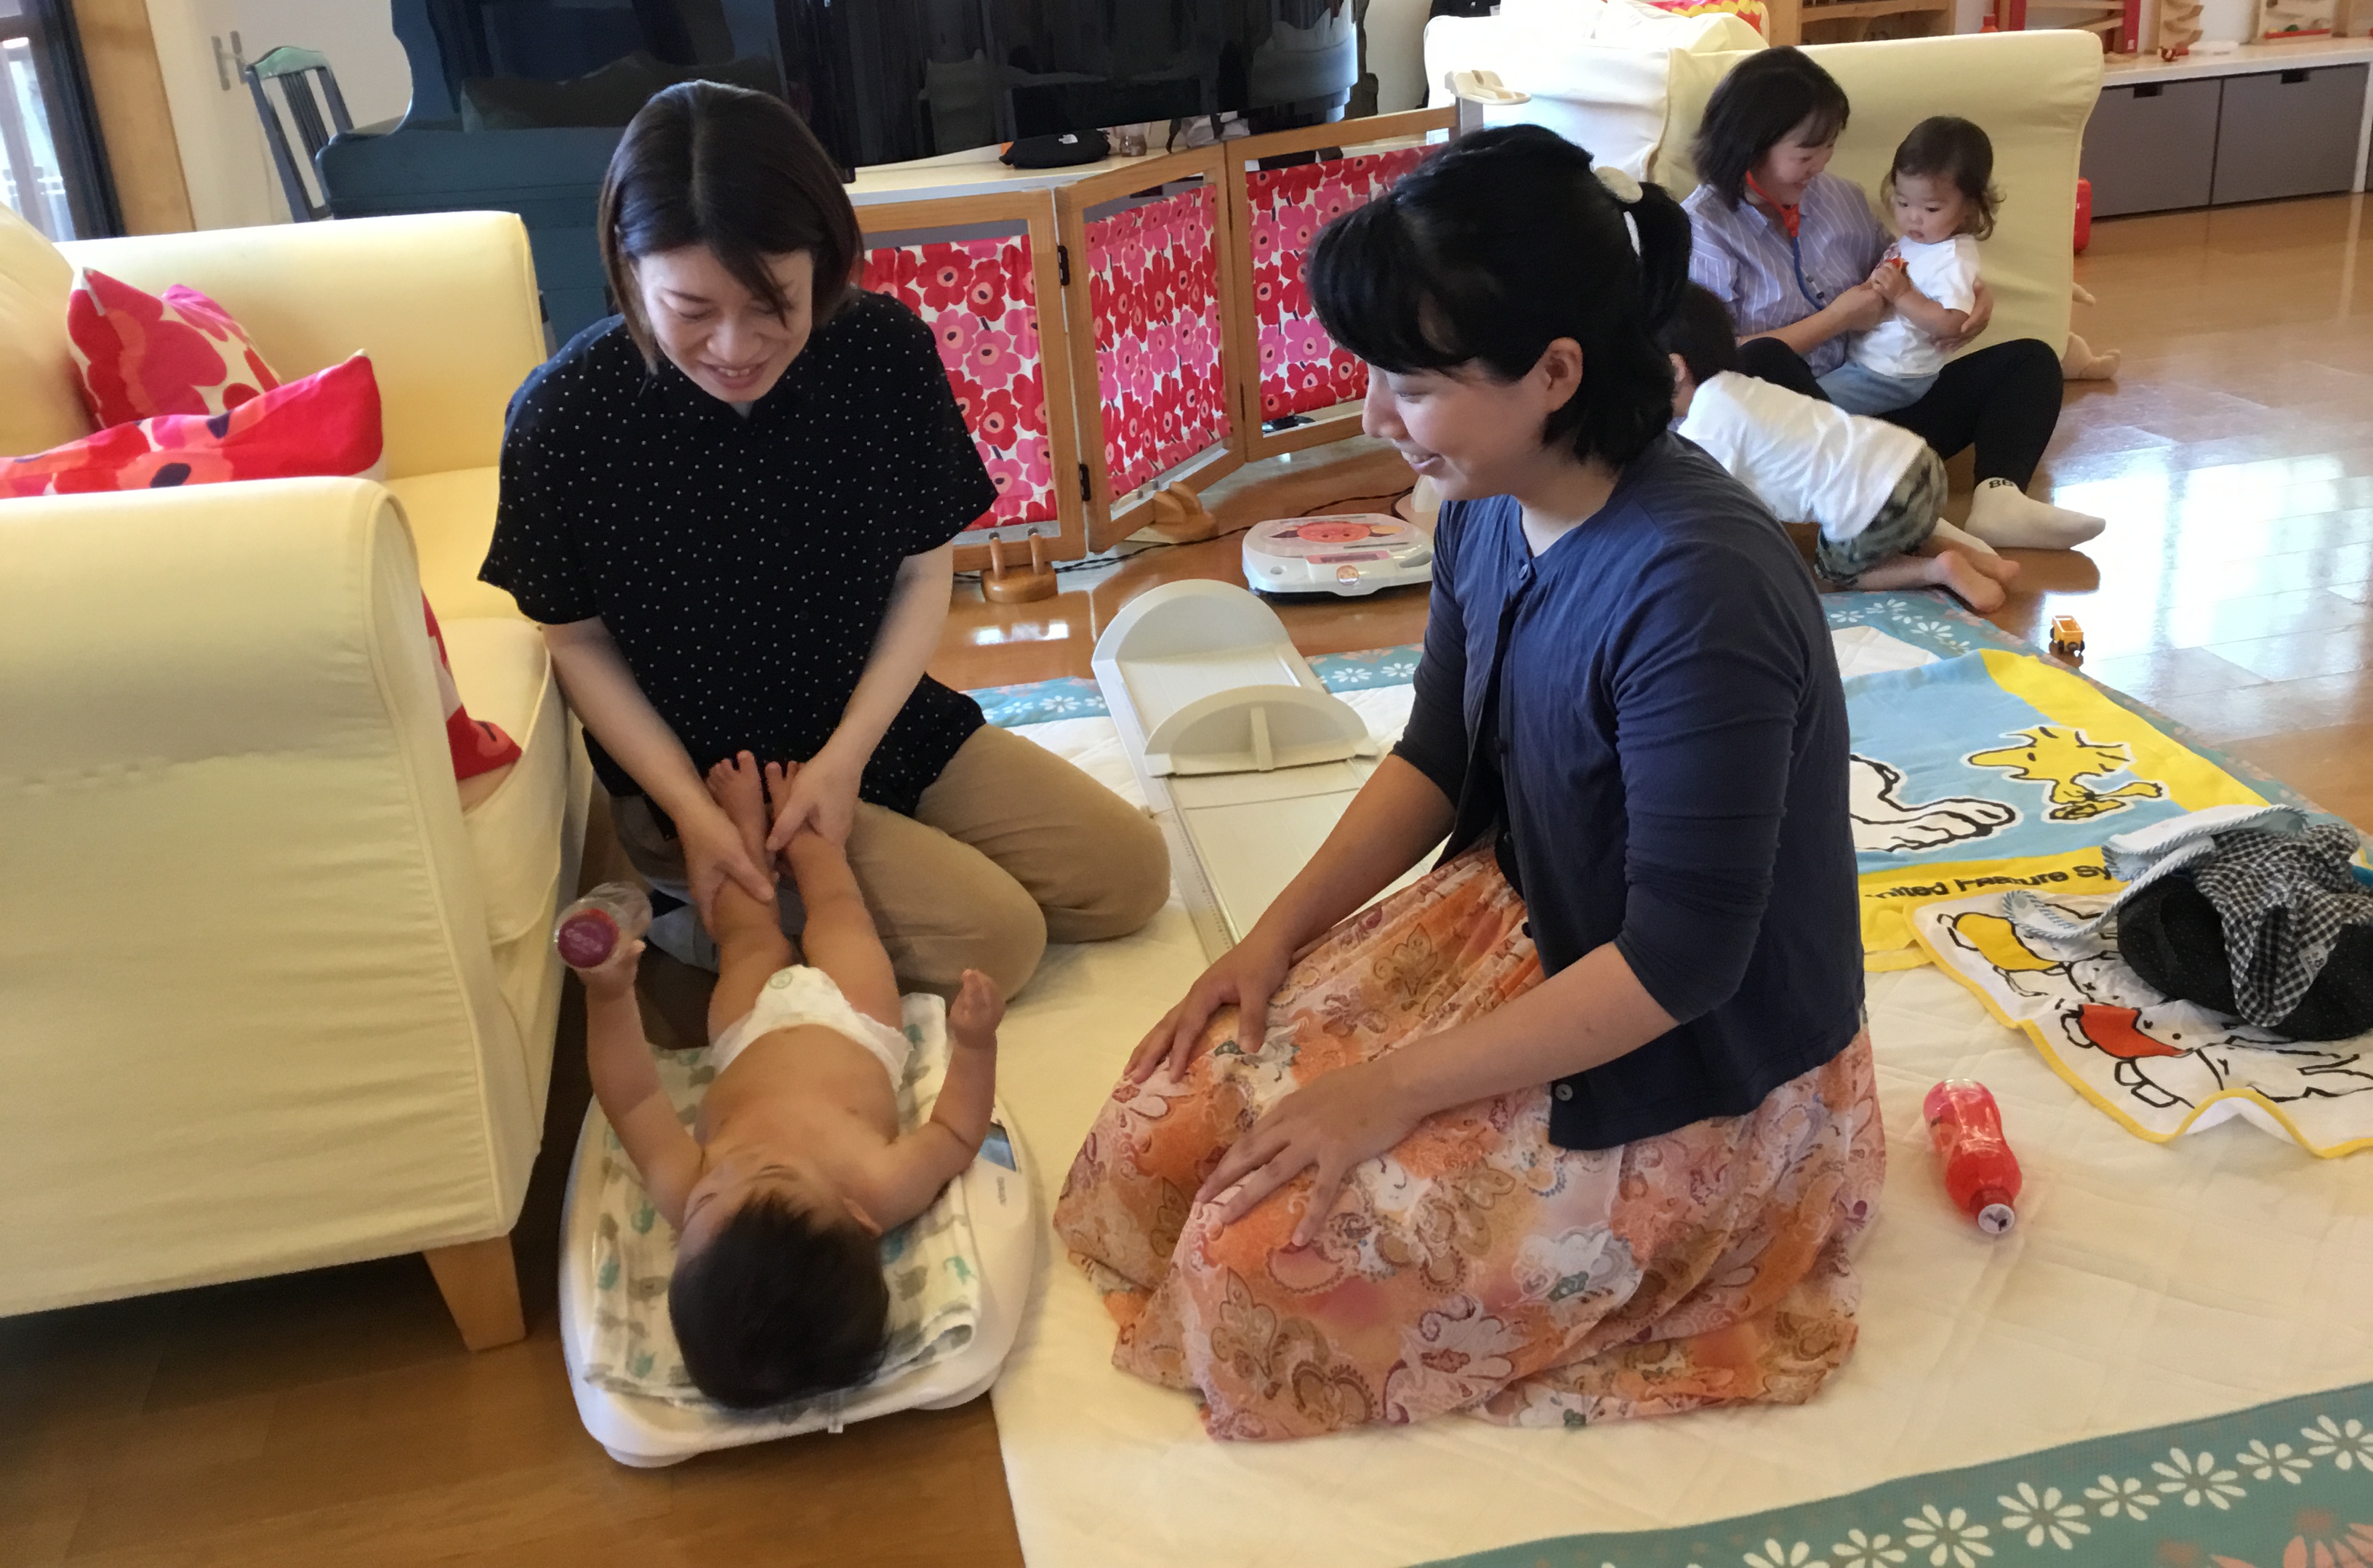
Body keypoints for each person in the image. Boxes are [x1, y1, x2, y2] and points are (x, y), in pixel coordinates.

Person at [1051, 127, 1884, 1442]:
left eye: (1410, 384)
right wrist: (1271, 938)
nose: (1372, 419)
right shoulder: (1486, 501)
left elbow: (1680, 963)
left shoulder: (1698, 591)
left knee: (1255, 1269)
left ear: (1555, 372)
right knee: (1151, 1142)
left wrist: (1391, 1087)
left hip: (1688, 1051)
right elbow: (1437, 756)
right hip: (1531, 919)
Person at [481, 81, 1167, 998]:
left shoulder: (880, 352)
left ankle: (791, 892)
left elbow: (922, 572)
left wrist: (846, 758)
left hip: (870, 725)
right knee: (997, 942)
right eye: (692, 310)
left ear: (826, 262)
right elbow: (575, 639)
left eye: (774, 303)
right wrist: (690, 810)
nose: (735, 346)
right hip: (711, 776)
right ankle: (695, 906)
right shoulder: (567, 414)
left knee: (1128, 879)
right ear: (629, 270)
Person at [572, 752, 1005, 1409]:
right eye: (775, 1175)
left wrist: (607, 998)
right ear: (859, 1220)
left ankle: (743, 830)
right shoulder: (881, 1186)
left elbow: (632, 1099)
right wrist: (975, 1044)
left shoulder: (684, 1188)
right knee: (839, 913)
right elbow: (954, 1132)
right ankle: (804, 834)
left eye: (707, 1203)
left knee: (747, 935)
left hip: (747, 1029)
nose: (736, 1170)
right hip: (857, 1021)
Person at [1683, 48, 2103, 552]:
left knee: (2032, 360)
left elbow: (1905, 269)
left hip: (1876, 399)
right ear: (1750, 145)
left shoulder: (1838, 199)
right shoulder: (1703, 230)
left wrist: (1970, 300)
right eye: (1806, 153)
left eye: (1829, 147)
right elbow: (1712, 368)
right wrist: (1836, 319)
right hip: (1792, 437)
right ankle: (1887, 505)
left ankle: (1999, 499)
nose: (1820, 165)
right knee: (1762, 357)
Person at [1663, 283, 2023, 612]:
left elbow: (1699, 513)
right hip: (1918, 460)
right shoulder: (1745, 385)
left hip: (1877, 501)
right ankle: (1986, 563)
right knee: (1893, 532)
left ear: (1674, 369)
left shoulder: (1705, 427)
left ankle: (1939, 570)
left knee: (1837, 569)